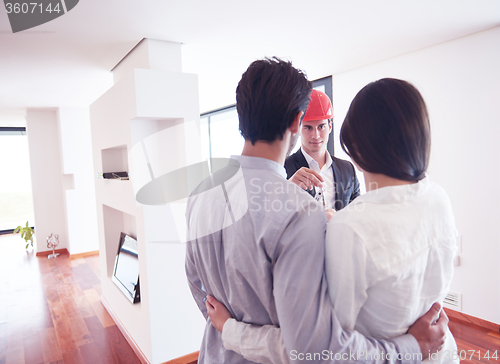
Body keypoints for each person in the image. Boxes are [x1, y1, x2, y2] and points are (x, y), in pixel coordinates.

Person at [186, 58, 448, 364]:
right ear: (298, 122)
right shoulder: (298, 212)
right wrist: (411, 348)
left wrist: (227, 328)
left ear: (240, 116)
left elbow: (198, 286)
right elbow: (312, 348)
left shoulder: (200, 192)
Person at [285, 89, 360, 212]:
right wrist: (287, 190)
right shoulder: (284, 168)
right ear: (298, 129)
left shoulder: (347, 169)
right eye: (308, 128)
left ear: (330, 126)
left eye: (321, 127)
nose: (316, 135)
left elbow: (358, 212)